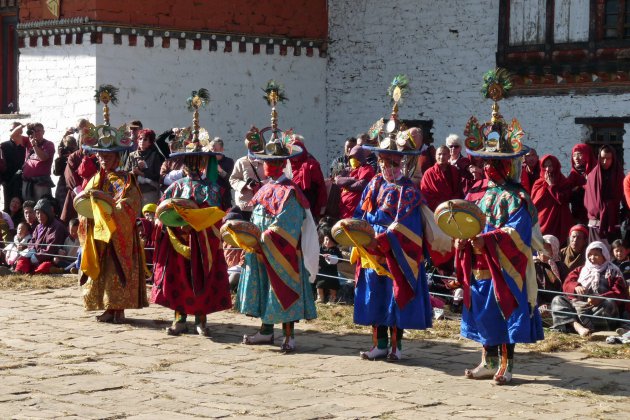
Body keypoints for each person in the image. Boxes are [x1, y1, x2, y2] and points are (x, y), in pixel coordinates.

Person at [456, 89, 543, 385]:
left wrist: (488, 239)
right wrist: (462, 237)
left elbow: (517, 231)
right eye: (487, 163)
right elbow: (466, 222)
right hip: (480, 264)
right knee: (484, 313)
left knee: (505, 311)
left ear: (507, 164)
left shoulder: (518, 196)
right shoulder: (477, 194)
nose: (490, 168)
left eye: (495, 163)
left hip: (505, 266)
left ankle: (507, 365)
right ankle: (487, 360)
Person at [236, 117, 318, 353]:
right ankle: (266, 331)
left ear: (281, 164)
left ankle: (289, 335)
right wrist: (248, 238)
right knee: (265, 289)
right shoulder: (265, 188)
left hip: (282, 252)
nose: (265, 166)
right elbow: (256, 217)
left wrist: (265, 237)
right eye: (264, 162)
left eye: (269, 162)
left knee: (282, 289)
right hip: (261, 249)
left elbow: (289, 223)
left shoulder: (291, 192)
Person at [353, 135, 436, 362]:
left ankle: (395, 346)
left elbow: (407, 227)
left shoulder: (408, 192)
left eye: (391, 163)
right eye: (382, 162)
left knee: (394, 296)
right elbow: (360, 213)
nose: (386, 167)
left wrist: (385, 240)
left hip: (394, 252)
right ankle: (378, 344)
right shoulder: (373, 184)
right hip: (371, 251)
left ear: (402, 164)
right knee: (375, 297)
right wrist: (357, 232)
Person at [151, 123, 232, 337]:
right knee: (179, 279)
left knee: (201, 280)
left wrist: (199, 222)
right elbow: (162, 211)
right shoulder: (175, 187)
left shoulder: (213, 189)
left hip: (202, 242)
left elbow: (218, 216)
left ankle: (201, 320)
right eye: (189, 161)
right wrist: (165, 222)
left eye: (197, 160)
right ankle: (180, 319)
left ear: (204, 162)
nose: (193, 165)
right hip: (178, 242)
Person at [78, 124, 149, 324]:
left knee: (117, 270)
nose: (102, 160)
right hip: (99, 233)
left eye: (107, 156)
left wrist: (109, 207)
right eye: (100, 156)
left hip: (119, 233)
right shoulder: (95, 179)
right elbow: (84, 205)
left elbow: (130, 205)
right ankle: (108, 307)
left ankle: (119, 309)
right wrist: (89, 215)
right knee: (103, 270)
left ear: (117, 157)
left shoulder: (126, 180)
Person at [551, 241, 630, 336]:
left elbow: (619, 292)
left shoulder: (613, 271)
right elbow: (567, 283)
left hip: (599, 309)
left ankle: (593, 328)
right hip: (579, 305)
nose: (592, 258)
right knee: (557, 300)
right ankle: (577, 327)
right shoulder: (581, 269)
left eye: (596, 255)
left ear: (604, 255)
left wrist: (601, 298)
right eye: (590, 255)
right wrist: (576, 287)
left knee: (609, 303)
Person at [60, 119, 99, 223]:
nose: (88, 141)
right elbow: (69, 176)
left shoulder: (100, 156)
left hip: (97, 195)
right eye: (85, 138)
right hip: (77, 195)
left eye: (91, 138)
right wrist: (80, 193)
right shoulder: (74, 156)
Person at [14, 199, 67, 274]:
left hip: (50, 258)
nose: (39, 216)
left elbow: (52, 248)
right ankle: (18, 272)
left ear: (48, 213)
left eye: (42, 213)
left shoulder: (56, 226)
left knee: (44, 266)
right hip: (36, 255)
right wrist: (31, 250)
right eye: (37, 213)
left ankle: (34, 272)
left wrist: (37, 256)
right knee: (23, 259)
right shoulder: (38, 227)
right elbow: (32, 241)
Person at [584, 145, 624, 244]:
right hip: (596, 223)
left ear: (613, 158)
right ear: (598, 158)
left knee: (613, 254)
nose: (605, 162)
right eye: (602, 158)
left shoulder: (619, 175)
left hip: (613, 221)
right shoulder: (592, 176)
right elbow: (590, 200)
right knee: (596, 251)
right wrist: (601, 209)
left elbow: (623, 197)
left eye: (608, 158)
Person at [531, 154, 573, 245]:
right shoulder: (538, 184)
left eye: (550, 166)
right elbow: (534, 203)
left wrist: (551, 186)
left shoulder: (563, 182)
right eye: (545, 166)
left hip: (559, 221)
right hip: (542, 221)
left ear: (556, 166)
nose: (547, 169)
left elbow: (564, 200)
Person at [229, 127, 267, 221]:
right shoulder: (241, 162)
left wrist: (261, 184)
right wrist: (245, 185)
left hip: (263, 204)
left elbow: (273, 179)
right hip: (245, 204)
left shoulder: (267, 162)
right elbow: (233, 179)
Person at [289, 135, 328, 220]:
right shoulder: (287, 166)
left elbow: (321, 187)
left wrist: (322, 207)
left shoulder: (312, 165)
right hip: (291, 207)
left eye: (297, 152)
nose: (295, 156)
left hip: (309, 205)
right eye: (293, 152)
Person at [125, 129, 164, 208]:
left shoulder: (155, 156)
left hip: (150, 191)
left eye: (145, 139)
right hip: (135, 191)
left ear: (150, 142)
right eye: (140, 139)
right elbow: (125, 173)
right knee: (136, 217)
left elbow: (158, 176)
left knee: (149, 216)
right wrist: (132, 173)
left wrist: (143, 172)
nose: (142, 141)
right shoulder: (132, 155)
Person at [335, 145, 376, 219]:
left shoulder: (367, 168)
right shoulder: (348, 169)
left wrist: (346, 185)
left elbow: (362, 184)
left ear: (360, 157)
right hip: (344, 206)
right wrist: (353, 179)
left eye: (354, 157)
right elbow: (338, 180)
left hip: (355, 207)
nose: (352, 159)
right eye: (351, 157)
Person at [420, 145, 464, 211]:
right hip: (436, 209)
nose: (441, 157)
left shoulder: (454, 171)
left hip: (454, 207)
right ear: (435, 156)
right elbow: (426, 193)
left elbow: (459, 190)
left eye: (444, 154)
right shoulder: (429, 173)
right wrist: (442, 206)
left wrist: (453, 203)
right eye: (439, 154)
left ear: (449, 156)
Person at [22, 122, 55, 202]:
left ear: (43, 132)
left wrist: (34, 145)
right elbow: (13, 136)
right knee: (28, 206)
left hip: (41, 182)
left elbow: (43, 157)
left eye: (38, 130)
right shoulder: (28, 141)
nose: (36, 133)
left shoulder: (49, 144)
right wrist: (22, 126)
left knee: (41, 207)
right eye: (34, 131)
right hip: (27, 181)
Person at [1, 122, 29, 211]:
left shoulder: (25, 146)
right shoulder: (4, 146)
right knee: (8, 205)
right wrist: (2, 180)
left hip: (22, 180)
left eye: (15, 130)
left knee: (21, 205)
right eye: (11, 130)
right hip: (8, 180)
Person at [534, 235, 568, 307]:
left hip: (559, 302)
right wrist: (540, 303)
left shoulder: (560, 266)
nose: (542, 253)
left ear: (554, 250)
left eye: (546, 249)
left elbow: (565, 286)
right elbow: (532, 288)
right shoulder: (535, 265)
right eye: (540, 249)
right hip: (540, 303)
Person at [567, 143, 595, 225]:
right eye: (574, 155)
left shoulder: (595, 171)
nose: (576, 158)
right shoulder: (573, 175)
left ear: (587, 155)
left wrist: (580, 188)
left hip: (594, 216)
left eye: (579, 154)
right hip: (577, 216)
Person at [315, 222, 342, 304]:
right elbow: (315, 256)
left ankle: (332, 298)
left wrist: (332, 258)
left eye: (330, 240)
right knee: (319, 285)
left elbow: (340, 259)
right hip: (321, 270)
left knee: (332, 285)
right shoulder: (320, 248)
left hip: (332, 271)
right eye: (326, 239)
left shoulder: (335, 250)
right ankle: (320, 297)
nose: (327, 242)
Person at [53, 132, 79, 209]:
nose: (70, 150)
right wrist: (60, 158)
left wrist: (73, 157)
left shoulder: (79, 156)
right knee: (62, 207)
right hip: (63, 184)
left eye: (72, 147)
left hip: (75, 184)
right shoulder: (62, 158)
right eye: (68, 148)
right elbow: (56, 172)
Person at [210, 137, 234, 210]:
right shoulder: (207, 161)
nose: (213, 152)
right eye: (211, 150)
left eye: (216, 150)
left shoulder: (229, 162)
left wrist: (220, 171)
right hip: (210, 198)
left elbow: (231, 182)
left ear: (222, 150)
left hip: (224, 199)